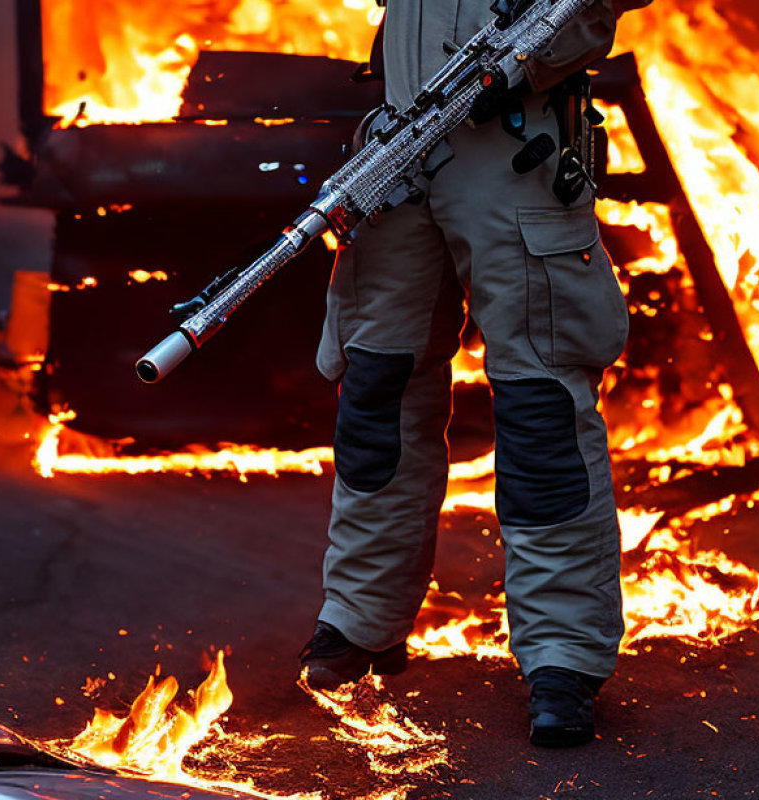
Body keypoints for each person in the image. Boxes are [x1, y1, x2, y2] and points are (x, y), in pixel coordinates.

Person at [300, 0, 644, 748]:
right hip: (399, 146)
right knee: (376, 388)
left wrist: (530, 52)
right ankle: (362, 617)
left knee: (538, 405)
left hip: (512, 149)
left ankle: (562, 655)